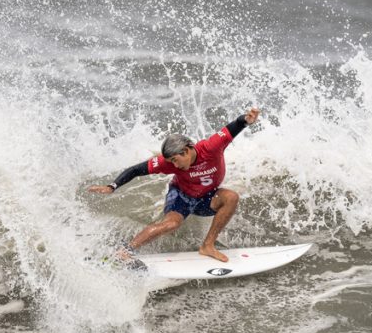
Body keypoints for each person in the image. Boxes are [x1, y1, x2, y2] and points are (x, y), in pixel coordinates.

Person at [88, 108, 260, 262]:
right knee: (171, 225)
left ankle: (208, 246)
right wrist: (112, 186)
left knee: (231, 197)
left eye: (176, 161)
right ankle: (125, 251)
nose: (174, 166)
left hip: (206, 197)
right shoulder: (167, 162)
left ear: (186, 151)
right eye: (171, 162)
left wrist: (246, 120)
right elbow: (135, 170)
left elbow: (234, 127)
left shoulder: (211, 147)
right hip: (181, 196)